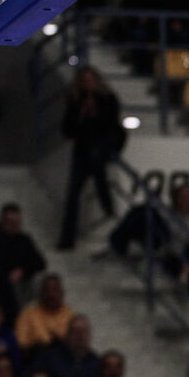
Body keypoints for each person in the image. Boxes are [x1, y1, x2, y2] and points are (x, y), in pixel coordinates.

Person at [57, 67, 124, 249]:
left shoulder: (108, 100)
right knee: (73, 195)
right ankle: (67, 238)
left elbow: (112, 126)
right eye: (84, 80)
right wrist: (82, 114)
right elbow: (68, 130)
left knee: (97, 165)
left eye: (90, 79)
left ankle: (108, 206)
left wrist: (96, 114)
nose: (88, 83)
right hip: (82, 151)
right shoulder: (75, 102)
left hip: (101, 148)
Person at [15, 274, 76, 352]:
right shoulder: (27, 314)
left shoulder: (70, 316)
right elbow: (21, 344)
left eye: (55, 290)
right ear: (41, 293)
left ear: (62, 293)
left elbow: (76, 346)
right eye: (47, 290)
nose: (51, 294)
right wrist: (40, 343)